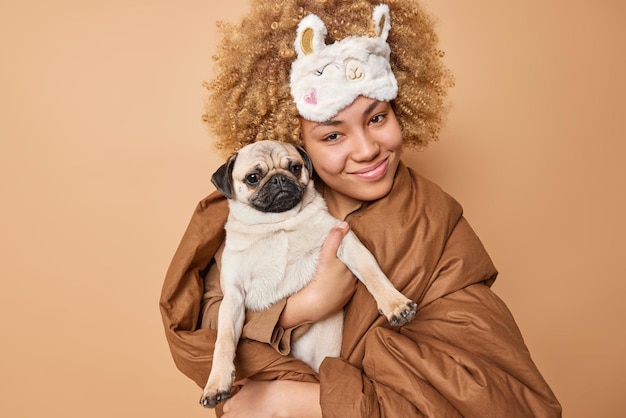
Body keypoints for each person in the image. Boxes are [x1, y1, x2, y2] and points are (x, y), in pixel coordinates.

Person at [159, 0, 562, 416]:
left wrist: (307, 400)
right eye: (332, 136)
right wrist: (305, 306)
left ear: (401, 109)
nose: (368, 150)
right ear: (294, 142)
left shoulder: (435, 222)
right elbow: (198, 326)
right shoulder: (245, 219)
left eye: (377, 118)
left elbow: (495, 391)